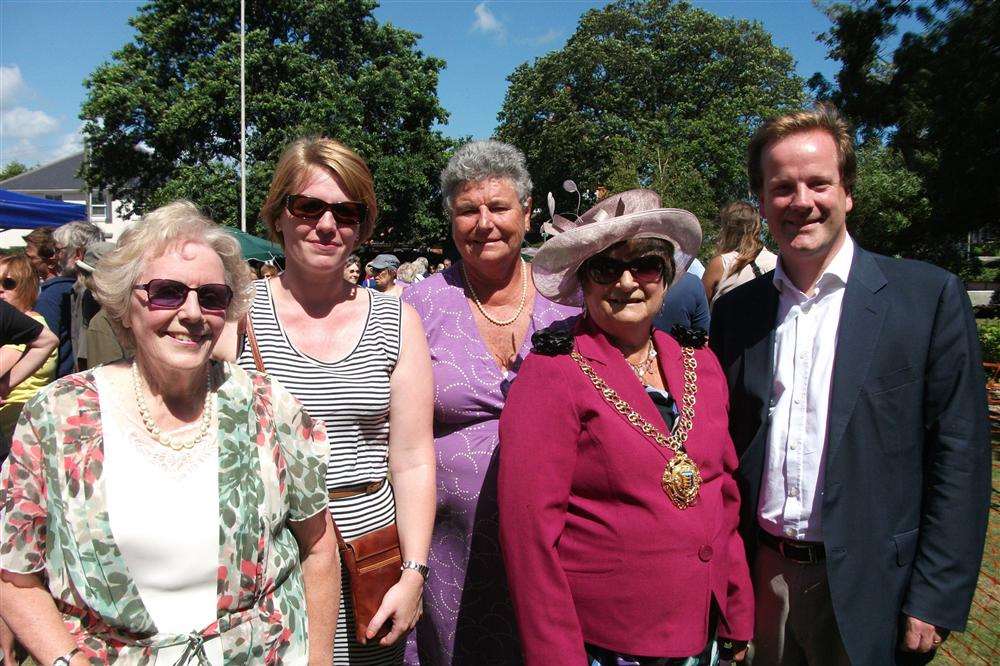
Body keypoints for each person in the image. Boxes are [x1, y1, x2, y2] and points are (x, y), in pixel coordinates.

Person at [709, 104, 990, 666]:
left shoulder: (926, 299)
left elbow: (959, 455)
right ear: (762, 202)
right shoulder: (737, 313)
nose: (802, 201)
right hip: (765, 579)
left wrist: (935, 594)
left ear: (848, 192)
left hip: (873, 586)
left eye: (819, 183)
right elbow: (724, 449)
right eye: (782, 187)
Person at [0, 200, 340, 664]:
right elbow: (14, 574)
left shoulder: (268, 406)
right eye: (167, 292)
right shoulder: (57, 416)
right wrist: (64, 660)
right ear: (124, 302)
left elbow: (319, 547)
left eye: (213, 297)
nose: (193, 313)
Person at [499, 189, 753, 665]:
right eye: (605, 268)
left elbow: (724, 496)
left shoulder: (701, 363)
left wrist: (736, 608)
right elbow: (529, 537)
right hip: (608, 645)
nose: (627, 281)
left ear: (667, 274)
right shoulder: (552, 373)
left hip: (701, 631)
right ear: (583, 280)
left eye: (646, 265)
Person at [239, 136, 435, 665]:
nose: (327, 225)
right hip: (272, 551)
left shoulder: (397, 321)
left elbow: (413, 459)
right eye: (308, 207)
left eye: (346, 212)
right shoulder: (236, 314)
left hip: (369, 558)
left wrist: (414, 573)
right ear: (278, 214)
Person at [401, 139, 579, 664]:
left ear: (526, 213)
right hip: (448, 554)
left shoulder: (567, 297)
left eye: (499, 207)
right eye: (467, 210)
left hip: (560, 545)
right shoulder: (418, 306)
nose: (484, 223)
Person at [0, 255, 57, 460]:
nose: (1, 289)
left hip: (19, 425)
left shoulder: (28, 326)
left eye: (8, 283)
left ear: (27, 287)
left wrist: (4, 386)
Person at [35, 221, 104, 377]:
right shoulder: (77, 290)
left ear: (78, 254)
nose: (55, 257)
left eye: (59, 250)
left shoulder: (90, 293)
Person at [702, 202, 777, 307]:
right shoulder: (775, 262)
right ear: (757, 227)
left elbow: (699, 309)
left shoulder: (721, 263)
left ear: (727, 229)